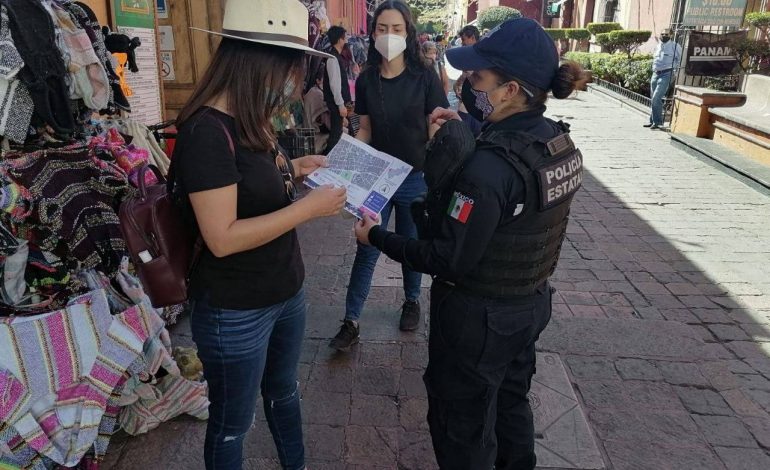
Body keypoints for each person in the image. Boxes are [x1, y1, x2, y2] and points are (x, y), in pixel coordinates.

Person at [353, 18, 585, 470]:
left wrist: (377, 235)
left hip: (478, 319)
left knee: (463, 427)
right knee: (511, 404)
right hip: (528, 305)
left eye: (478, 78)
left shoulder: (486, 171)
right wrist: (465, 124)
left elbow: (447, 257)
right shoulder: (557, 143)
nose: (466, 83)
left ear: (510, 89)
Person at [177, 1, 347, 469]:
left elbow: (246, 182)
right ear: (262, 62)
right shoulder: (206, 131)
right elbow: (222, 236)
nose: (296, 79)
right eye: (293, 66)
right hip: (235, 309)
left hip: (285, 289)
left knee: (285, 392)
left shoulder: (252, 116)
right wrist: (307, 210)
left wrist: (293, 168)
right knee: (233, 426)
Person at [329, 0, 449, 351]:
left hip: (414, 177)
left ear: (408, 32)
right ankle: (351, 321)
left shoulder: (424, 76)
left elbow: (436, 127)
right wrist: (348, 155)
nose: (389, 35)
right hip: (376, 177)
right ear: (373, 32)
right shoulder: (366, 79)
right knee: (366, 246)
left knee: (409, 244)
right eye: (382, 28)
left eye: (396, 29)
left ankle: (412, 300)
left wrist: (439, 165)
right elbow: (364, 128)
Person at [646, 28, 681, 130]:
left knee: (657, 97)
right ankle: (652, 121)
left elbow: (681, 58)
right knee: (653, 98)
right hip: (655, 73)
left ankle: (657, 122)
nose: (664, 35)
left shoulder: (675, 46)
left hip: (667, 73)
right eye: (662, 34)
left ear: (671, 35)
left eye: (666, 34)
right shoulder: (658, 46)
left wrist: (675, 71)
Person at [323, 25, 351, 152]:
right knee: (336, 133)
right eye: (344, 38)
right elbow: (335, 84)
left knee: (338, 131)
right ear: (340, 39)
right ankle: (328, 157)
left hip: (338, 103)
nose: (346, 41)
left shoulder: (336, 57)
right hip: (335, 103)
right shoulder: (332, 58)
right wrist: (340, 105)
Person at [454, 25, 483, 136]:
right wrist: (458, 83)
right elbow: (466, 73)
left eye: (464, 40)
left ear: (472, 38)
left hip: (476, 102)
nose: (462, 43)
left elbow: (471, 74)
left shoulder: (481, 54)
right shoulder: (469, 53)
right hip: (467, 100)